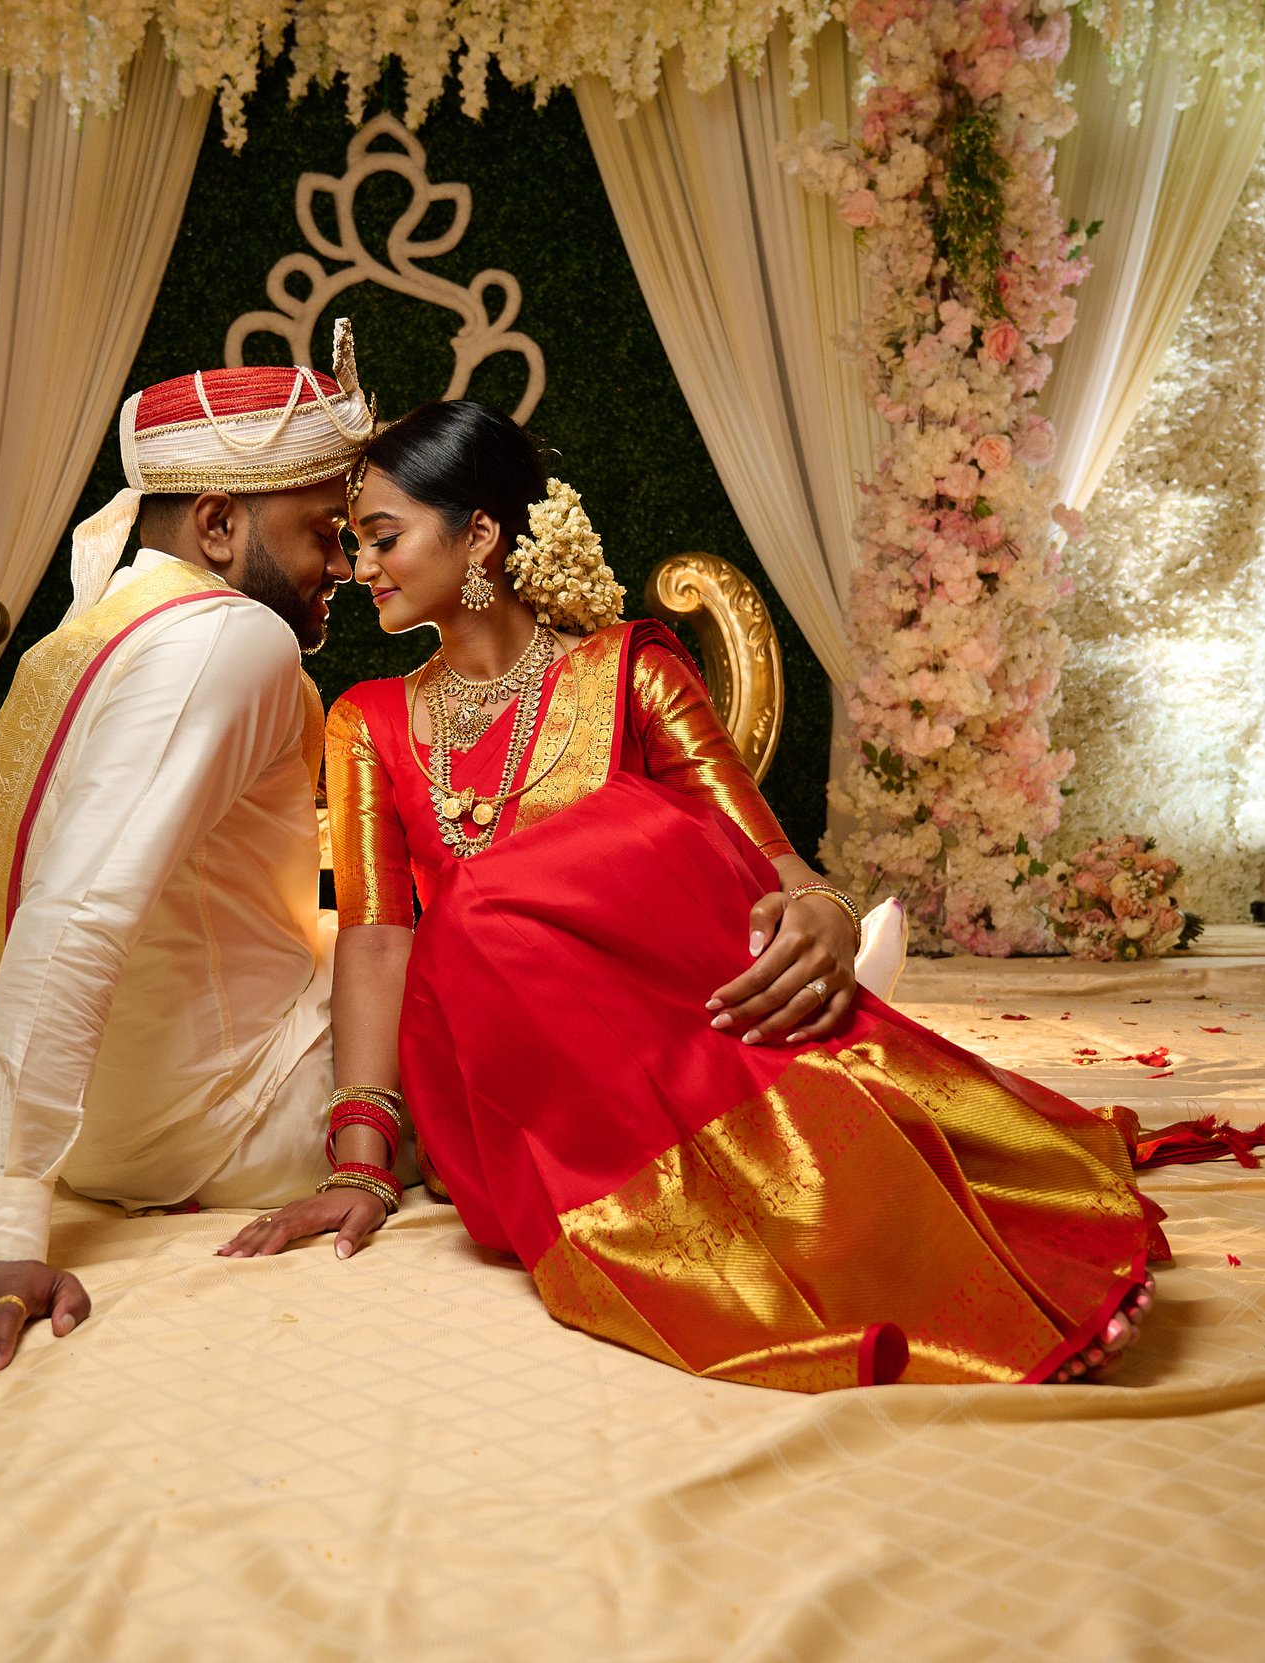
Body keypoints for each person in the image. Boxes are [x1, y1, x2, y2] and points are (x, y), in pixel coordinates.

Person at [220, 400, 1162, 1390]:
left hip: (667, 1034)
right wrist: (362, 1162)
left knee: (646, 845)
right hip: (511, 1086)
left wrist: (823, 914)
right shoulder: (369, 720)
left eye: (382, 537)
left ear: (481, 534)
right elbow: (378, 938)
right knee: (477, 913)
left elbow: (764, 860)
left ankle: (916, 1269)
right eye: (355, 543)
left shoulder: (628, 670)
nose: (360, 566)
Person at [0, 344, 376, 1382]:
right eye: (322, 530)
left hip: (99, 1137)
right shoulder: (231, 639)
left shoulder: (87, 639)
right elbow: (77, 911)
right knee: (482, 958)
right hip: (228, 1126)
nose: (344, 564)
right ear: (218, 523)